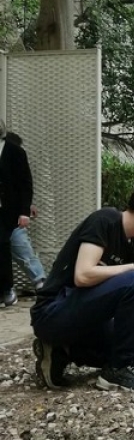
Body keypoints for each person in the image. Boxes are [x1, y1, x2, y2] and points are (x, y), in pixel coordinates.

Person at [30, 179, 134, 395]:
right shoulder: (105, 220)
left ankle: (60, 350)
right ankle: (117, 371)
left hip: (82, 318)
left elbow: (119, 298)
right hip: (52, 314)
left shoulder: (132, 244)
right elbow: (83, 276)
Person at [5, 132, 46, 291]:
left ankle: (40, 282)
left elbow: (20, 189)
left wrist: (25, 207)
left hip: (13, 220)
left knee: (23, 251)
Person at [0, 120, 34, 307]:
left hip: (7, 209)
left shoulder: (15, 152)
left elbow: (25, 184)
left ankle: (7, 289)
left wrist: (24, 211)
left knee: (4, 245)